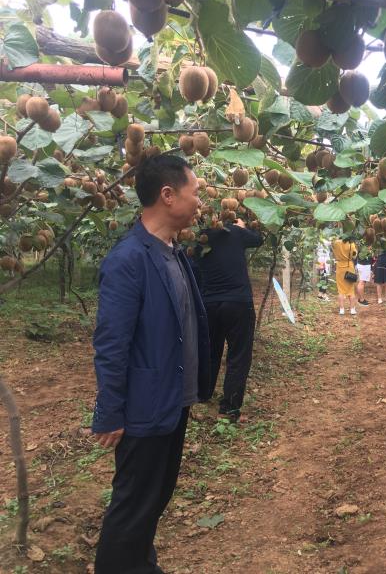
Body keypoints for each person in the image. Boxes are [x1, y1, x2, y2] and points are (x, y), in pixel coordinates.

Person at [91, 155, 211, 573]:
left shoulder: (172, 251)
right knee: (133, 504)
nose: (198, 201)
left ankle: (141, 563)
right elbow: (111, 343)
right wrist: (109, 413)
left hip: (171, 401)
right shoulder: (128, 260)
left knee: (155, 497)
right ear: (167, 195)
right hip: (144, 406)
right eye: (194, 192)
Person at [194, 218, 263, 422]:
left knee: (210, 351)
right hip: (237, 303)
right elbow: (258, 239)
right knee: (238, 355)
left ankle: (202, 394)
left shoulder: (197, 239)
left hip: (209, 303)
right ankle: (230, 408)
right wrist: (243, 227)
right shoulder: (234, 231)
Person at [332, 235, 358, 315]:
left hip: (340, 266)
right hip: (349, 266)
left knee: (341, 290)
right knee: (351, 289)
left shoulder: (335, 243)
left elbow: (332, 249)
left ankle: (342, 309)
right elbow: (354, 256)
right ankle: (352, 309)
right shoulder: (351, 244)